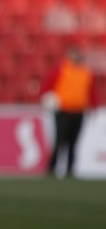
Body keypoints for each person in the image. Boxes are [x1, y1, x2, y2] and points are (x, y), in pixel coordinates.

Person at [40, 45, 97, 178]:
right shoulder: (60, 70)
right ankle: (51, 168)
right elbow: (47, 87)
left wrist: (94, 106)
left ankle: (70, 170)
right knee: (60, 140)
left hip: (79, 111)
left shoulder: (86, 72)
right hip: (63, 111)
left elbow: (91, 91)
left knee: (73, 142)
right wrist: (47, 100)